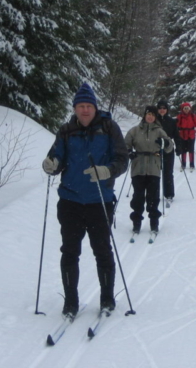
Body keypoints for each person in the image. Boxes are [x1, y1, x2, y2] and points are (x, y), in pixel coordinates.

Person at [42, 82, 128, 318]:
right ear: (75, 109)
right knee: (70, 252)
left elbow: (123, 158)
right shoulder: (66, 130)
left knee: (102, 250)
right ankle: (70, 302)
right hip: (70, 201)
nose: (85, 110)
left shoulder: (109, 128)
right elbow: (55, 158)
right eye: (80, 106)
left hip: (100, 200)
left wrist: (107, 171)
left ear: (95, 107)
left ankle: (107, 299)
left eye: (88, 106)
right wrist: (51, 166)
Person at [124, 106, 173, 234]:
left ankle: (154, 223)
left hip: (154, 167)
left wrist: (165, 143)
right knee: (138, 196)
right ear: (144, 116)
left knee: (153, 197)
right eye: (148, 114)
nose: (150, 116)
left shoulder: (159, 131)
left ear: (155, 117)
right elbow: (125, 144)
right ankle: (136, 222)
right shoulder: (134, 131)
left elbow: (169, 146)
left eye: (152, 114)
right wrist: (129, 152)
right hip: (138, 166)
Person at [156, 100, 179, 202]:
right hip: (154, 149)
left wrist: (179, 147)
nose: (162, 110)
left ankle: (169, 194)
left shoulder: (171, 121)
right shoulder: (153, 120)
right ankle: (154, 193)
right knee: (154, 173)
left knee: (168, 172)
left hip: (168, 149)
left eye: (164, 108)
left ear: (167, 110)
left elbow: (177, 136)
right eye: (160, 108)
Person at [176, 102, 196, 172]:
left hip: (191, 134)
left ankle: (192, 164)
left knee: (191, 150)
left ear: (190, 109)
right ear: (182, 109)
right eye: (185, 108)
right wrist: (176, 129)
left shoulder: (193, 116)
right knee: (183, 150)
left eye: (187, 108)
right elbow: (176, 123)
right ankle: (183, 164)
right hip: (182, 135)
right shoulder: (180, 116)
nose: (186, 110)